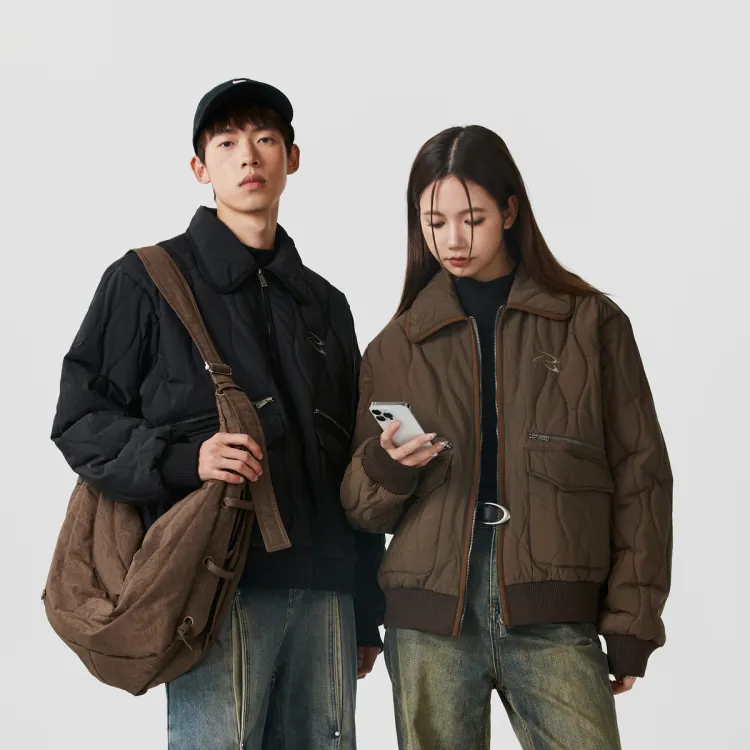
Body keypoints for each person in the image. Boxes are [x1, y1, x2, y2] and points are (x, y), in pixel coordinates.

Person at [51, 78, 384, 749]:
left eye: (265, 139)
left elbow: (352, 456)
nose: (248, 155)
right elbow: (80, 420)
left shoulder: (324, 304)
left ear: (292, 158)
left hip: (326, 595)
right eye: (226, 143)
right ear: (199, 168)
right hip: (217, 588)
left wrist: (365, 607)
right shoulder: (146, 280)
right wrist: (184, 459)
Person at [340, 124, 673, 749]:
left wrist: (632, 622)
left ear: (511, 211)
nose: (454, 240)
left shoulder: (591, 324)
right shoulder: (394, 347)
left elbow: (642, 476)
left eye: (473, 219)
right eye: (435, 223)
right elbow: (360, 510)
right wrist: (388, 468)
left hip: (554, 612)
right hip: (429, 621)